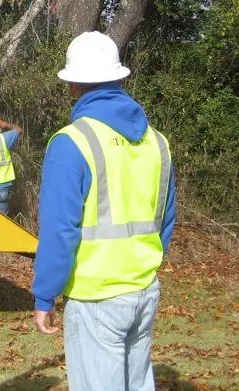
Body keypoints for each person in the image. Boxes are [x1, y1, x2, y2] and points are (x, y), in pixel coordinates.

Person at [32, 32, 176, 391]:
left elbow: (59, 230)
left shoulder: (71, 142)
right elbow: (166, 220)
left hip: (95, 296)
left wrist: (45, 294)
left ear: (72, 86)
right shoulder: (157, 141)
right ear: (120, 78)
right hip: (143, 288)